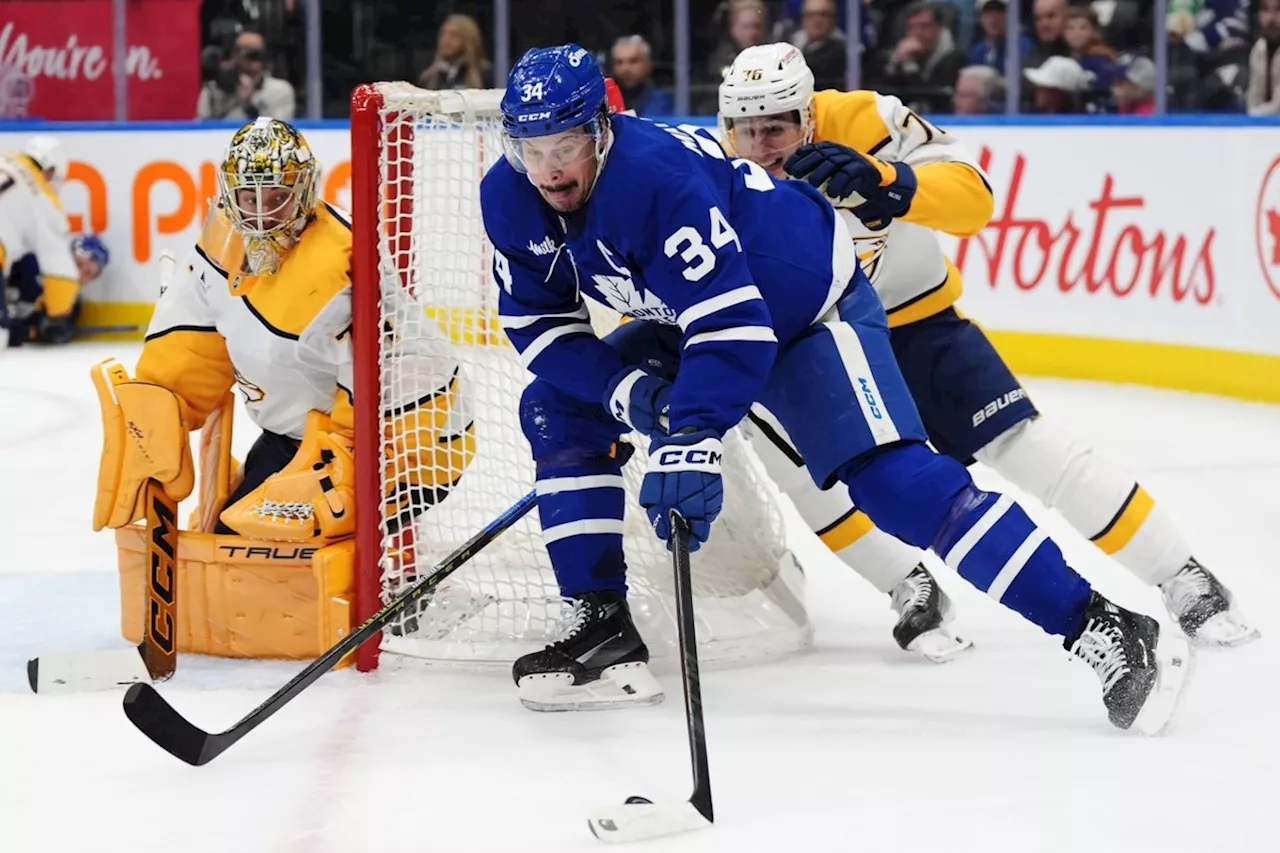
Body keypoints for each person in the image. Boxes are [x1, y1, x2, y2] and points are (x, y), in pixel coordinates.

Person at [481, 44, 1193, 734]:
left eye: (565, 145)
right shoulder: (508, 195)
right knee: (555, 405)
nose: (548, 169)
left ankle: (1102, 623)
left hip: (805, 306)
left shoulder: (654, 179)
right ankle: (601, 622)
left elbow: (734, 326)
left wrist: (690, 435)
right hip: (693, 319)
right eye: (530, 148)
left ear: (600, 132)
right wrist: (643, 400)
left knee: (897, 486)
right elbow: (541, 330)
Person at [714, 43, 1256, 662]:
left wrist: (893, 181)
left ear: (809, 114)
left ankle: (1180, 572)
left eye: (776, 126)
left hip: (914, 325)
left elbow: (974, 199)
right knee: (821, 485)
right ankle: (905, 582)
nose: (760, 145)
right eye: (744, 129)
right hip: (815, 348)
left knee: (1026, 447)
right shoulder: (717, 172)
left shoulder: (866, 119)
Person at [91, 118, 473, 580]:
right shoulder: (222, 239)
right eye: (249, 197)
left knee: (293, 568)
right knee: (231, 553)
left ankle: (386, 583)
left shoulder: (343, 260)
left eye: (276, 197)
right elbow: (193, 342)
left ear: (305, 189)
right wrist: (156, 410)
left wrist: (352, 459)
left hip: (404, 443)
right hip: (293, 437)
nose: (260, 214)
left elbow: (408, 367)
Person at [0, 136, 78, 350]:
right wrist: (56, 318)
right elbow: (61, 272)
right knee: (4, 335)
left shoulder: (5, 155)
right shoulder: (46, 201)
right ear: (50, 170)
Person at [5, 233, 110, 345]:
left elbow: (31, 332)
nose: (79, 274)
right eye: (78, 264)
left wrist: (43, 333)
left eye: (88, 274)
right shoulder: (31, 264)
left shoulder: (71, 306)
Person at [197, 29, 296, 121]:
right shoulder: (213, 90)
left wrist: (249, 106)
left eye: (259, 55)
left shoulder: (280, 90)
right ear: (235, 55)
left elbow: (279, 131)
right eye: (251, 55)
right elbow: (201, 128)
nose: (255, 61)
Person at [418, 14, 495, 91]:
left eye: (453, 35)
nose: (445, 40)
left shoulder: (484, 75)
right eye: (443, 34)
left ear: (467, 40)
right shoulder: (427, 78)